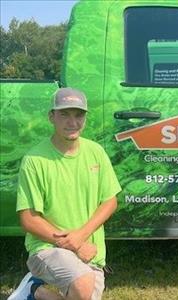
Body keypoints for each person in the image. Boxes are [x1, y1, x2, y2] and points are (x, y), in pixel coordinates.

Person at [8, 87, 121, 300]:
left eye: (78, 115)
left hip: (90, 252)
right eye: (64, 114)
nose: (72, 122)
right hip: (46, 247)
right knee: (83, 284)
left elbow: (110, 201)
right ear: (52, 117)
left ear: (85, 117)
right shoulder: (34, 160)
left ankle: (35, 291)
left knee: (82, 294)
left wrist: (80, 237)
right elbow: (28, 219)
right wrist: (74, 243)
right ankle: (37, 285)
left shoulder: (96, 152)